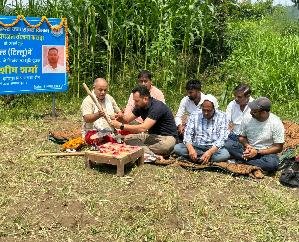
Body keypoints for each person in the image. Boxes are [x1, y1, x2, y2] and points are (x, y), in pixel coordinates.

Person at [111, 85, 177, 157]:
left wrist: (121, 126)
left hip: (167, 138)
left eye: (136, 101)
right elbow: (126, 119)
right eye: (134, 100)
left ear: (145, 99)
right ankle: (151, 153)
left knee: (165, 146)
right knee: (128, 138)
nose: (134, 103)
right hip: (152, 137)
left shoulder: (157, 107)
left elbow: (143, 128)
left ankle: (146, 152)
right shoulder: (140, 106)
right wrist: (119, 117)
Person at [225, 97, 284, 172]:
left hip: (265, 152)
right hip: (247, 148)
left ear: (264, 112)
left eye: (254, 111)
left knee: (272, 164)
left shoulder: (276, 123)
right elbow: (242, 137)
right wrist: (248, 146)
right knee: (228, 143)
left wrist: (257, 152)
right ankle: (251, 160)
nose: (251, 112)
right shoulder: (247, 118)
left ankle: (242, 160)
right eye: (251, 110)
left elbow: (278, 148)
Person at [173, 94, 230, 164]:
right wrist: (191, 149)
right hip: (196, 145)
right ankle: (203, 158)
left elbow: (222, 138)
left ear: (214, 108)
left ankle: (198, 158)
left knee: (224, 154)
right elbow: (188, 134)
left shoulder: (222, 116)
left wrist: (209, 152)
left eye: (208, 110)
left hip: (213, 147)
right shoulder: (194, 115)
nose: (206, 113)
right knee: (177, 148)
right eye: (204, 110)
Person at [81, 78, 122, 144]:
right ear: (94, 88)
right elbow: (86, 119)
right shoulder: (88, 100)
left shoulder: (109, 98)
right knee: (96, 138)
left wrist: (119, 115)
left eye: (105, 90)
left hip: (110, 129)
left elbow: (119, 112)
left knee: (125, 132)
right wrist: (98, 115)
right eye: (100, 90)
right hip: (93, 131)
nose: (103, 92)